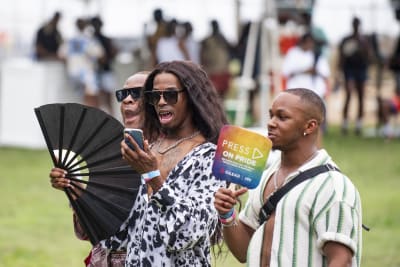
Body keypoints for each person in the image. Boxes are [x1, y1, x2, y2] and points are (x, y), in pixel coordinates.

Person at [214, 88, 362, 266]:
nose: (271, 123)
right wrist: (227, 214)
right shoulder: (266, 175)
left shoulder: (333, 186)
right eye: (271, 116)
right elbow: (242, 251)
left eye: (282, 117)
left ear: (310, 126)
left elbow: (341, 260)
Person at [102, 60, 228, 266]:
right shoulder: (147, 151)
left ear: (192, 97)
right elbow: (118, 238)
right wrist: (84, 191)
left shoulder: (211, 157)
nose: (161, 102)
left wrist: (153, 177)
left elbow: (185, 234)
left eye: (170, 95)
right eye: (153, 96)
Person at [49, 71, 149, 267]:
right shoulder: (110, 153)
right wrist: (73, 187)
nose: (127, 100)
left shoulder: (174, 155)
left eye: (137, 93)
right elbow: (91, 229)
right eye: (123, 94)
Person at [58, 18, 104, 108]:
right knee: (91, 96)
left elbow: (61, 55)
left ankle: (86, 118)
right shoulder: (89, 40)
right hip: (86, 73)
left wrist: (71, 63)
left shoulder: (70, 40)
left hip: (73, 73)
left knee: (81, 98)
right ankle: (92, 118)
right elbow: (100, 54)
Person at [338, 17, 371, 135]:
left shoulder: (364, 40)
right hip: (349, 70)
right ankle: (345, 124)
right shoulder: (346, 39)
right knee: (349, 95)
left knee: (361, 97)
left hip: (361, 70)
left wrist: (361, 47)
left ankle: (358, 125)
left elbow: (368, 56)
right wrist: (340, 72)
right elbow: (341, 56)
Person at [91, 16, 119, 115]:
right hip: (97, 72)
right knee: (99, 100)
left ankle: (110, 119)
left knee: (107, 100)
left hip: (105, 71)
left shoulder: (104, 39)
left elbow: (112, 53)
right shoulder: (91, 39)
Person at [200, 20, 232, 98]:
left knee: (222, 96)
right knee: (214, 95)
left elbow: (232, 48)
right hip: (213, 72)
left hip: (223, 71)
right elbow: (202, 56)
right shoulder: (207, 41)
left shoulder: (223, 39)